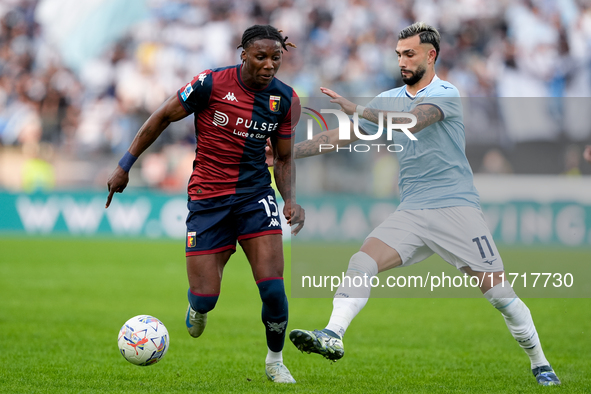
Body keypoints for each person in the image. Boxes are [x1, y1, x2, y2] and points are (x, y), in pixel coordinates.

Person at [287, 22, 560, 386]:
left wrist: (358, 108)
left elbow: (412, 123)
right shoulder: (387, 98)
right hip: (412, 211)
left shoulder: (447, 92)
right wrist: (284, 153)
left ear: (431, 56)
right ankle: (333, 333)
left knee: (500, 296)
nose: (402, 60)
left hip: (456, 209)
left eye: (409, 54)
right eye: (399, 54)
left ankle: (540, 363)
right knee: (362, 261)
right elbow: (342, 136)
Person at [106, 25, 305, 384]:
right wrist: (125, 166)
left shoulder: (285, 100)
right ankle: (198, 305)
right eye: (261, 57)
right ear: (243, 55)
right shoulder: (210, 83)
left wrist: (289, 199)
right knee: (206, 298)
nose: (269, 65)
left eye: (275, 58)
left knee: (274, 289)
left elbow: (285, 158)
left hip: (255, 197)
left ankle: (275, 361)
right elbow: (163, 116)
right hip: (207, 199)